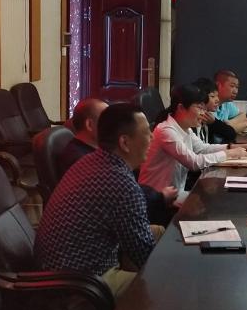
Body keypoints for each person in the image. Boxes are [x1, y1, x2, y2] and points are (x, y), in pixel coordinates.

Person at [35, 103, 164, 297]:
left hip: (63, 264)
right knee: (163, 285)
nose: (152, 137)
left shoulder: (92, 159)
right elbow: (143, 253)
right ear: (125, 143)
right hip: (79, 283)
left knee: (159, 233)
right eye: (147, 132)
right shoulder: (120, 184)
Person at [58, 97, 178, 224]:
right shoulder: (83, 161)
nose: (114, 122)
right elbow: (124, 196)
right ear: (89, 125)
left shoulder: (97, 155)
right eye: (106, 117)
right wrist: (159, 197)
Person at [140, 83, 247, 199]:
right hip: (156, 199)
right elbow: (194, 162)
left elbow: (202, 148)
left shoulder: (186, 128)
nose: (203, 113)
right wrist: (228, 154)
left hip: (175, 194)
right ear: (181, 108)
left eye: (204, 108)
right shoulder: (166, 131)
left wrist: (230, 147)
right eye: (199, 108)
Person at [55, 97, 108, 179]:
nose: (113, 125)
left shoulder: (94, 150)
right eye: (107, 119)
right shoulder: (79, 160)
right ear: (89, 125)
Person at [213, 69, 247, 133]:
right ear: (218, 85)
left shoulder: (226, 103)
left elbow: (243, 115)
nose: (235, 91)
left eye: (237, 87)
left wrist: (230, 123)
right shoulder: (208, 104)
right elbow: (220, 132)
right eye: (232, 86)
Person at [193, 76, 236, 144]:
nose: (217, 100)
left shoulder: (209, 118)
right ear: (202, 97)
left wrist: (214, 123)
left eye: (217, 96)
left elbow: (232, 134)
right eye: (212, 96)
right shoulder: (192, 121)